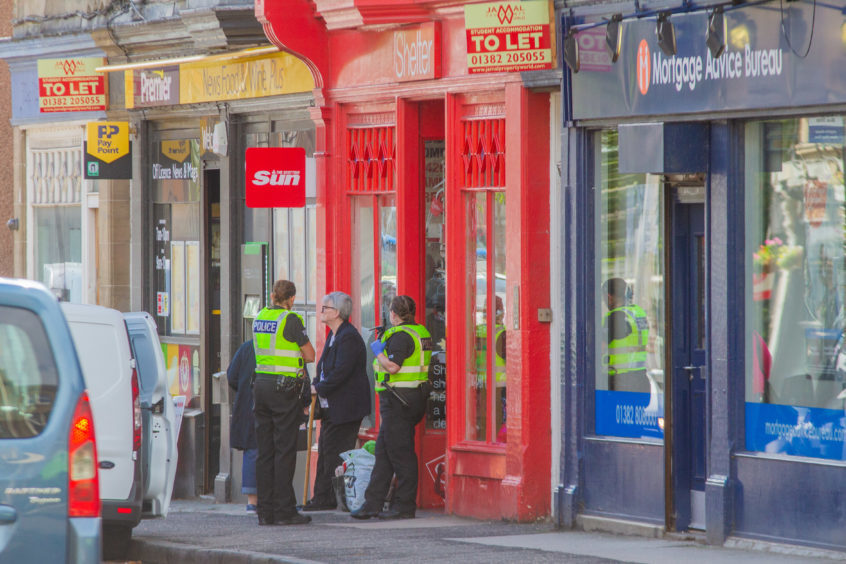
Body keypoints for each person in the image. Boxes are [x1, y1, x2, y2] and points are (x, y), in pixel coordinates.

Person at [351, 295, 432, 520]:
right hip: (411, 398)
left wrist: (378, 352)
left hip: (398, 400)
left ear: (394, 314)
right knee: (383, 452)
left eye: (390, 311)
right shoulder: (420, 332)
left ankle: (404, 506)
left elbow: (393, 366)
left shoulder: (400, 335)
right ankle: (372, 504)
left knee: (401, 454)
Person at [252, 280, 315, 526]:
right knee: (284, 449)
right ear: (291, 299)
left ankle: (264, 511)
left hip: (261, 386)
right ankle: (284, 510)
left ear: (272, 296)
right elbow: (309, 354)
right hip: (284, 390)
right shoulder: (290, 320)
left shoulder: (260, 316)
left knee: (264, 451)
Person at [303, 291, 372, 511]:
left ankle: (325, 498)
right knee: (325, 449)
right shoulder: (335, 335)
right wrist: (315, 385)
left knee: (332, 452)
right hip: (331, 406)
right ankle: (322, 497)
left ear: (338, 312)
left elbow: (341, 372)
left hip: (346, 407)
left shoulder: (348, 337)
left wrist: (318, 388)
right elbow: (324, 368)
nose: (322, 311)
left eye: (326, 308)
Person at [603, 277, 650, 393]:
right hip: (641, 379)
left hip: (621, 381)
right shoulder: (638, 313)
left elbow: (599, 347)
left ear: (609, 297)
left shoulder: (616, 316)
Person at [227, 339, 258, 512]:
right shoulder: (284, 344)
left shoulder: (248, 346)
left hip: (249, 404)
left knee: (252, 450)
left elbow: (232, 376)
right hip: (277, 405)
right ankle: (273, 498)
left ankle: (252, 501)